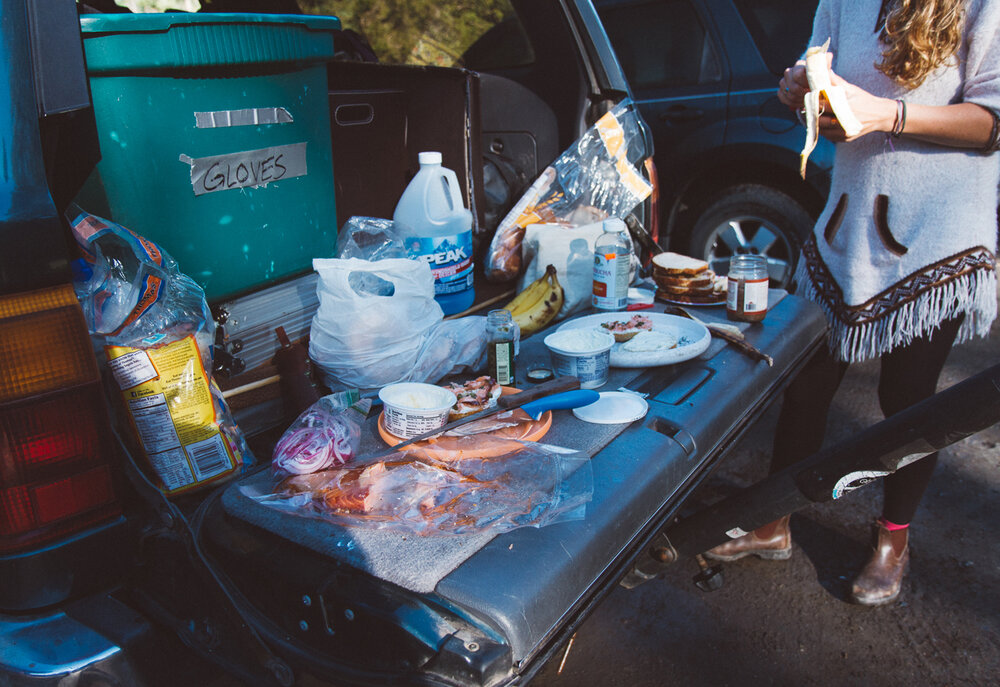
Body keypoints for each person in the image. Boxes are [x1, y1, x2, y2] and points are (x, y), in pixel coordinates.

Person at [705, 0, 999, 606]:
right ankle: (772, 521)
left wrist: (886, 115)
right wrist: (798, 89)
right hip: (845, 226)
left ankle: (893, 540)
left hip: (934, 233)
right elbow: (820, 73)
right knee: (807, 384)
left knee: (906, 400)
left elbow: (994, 121)